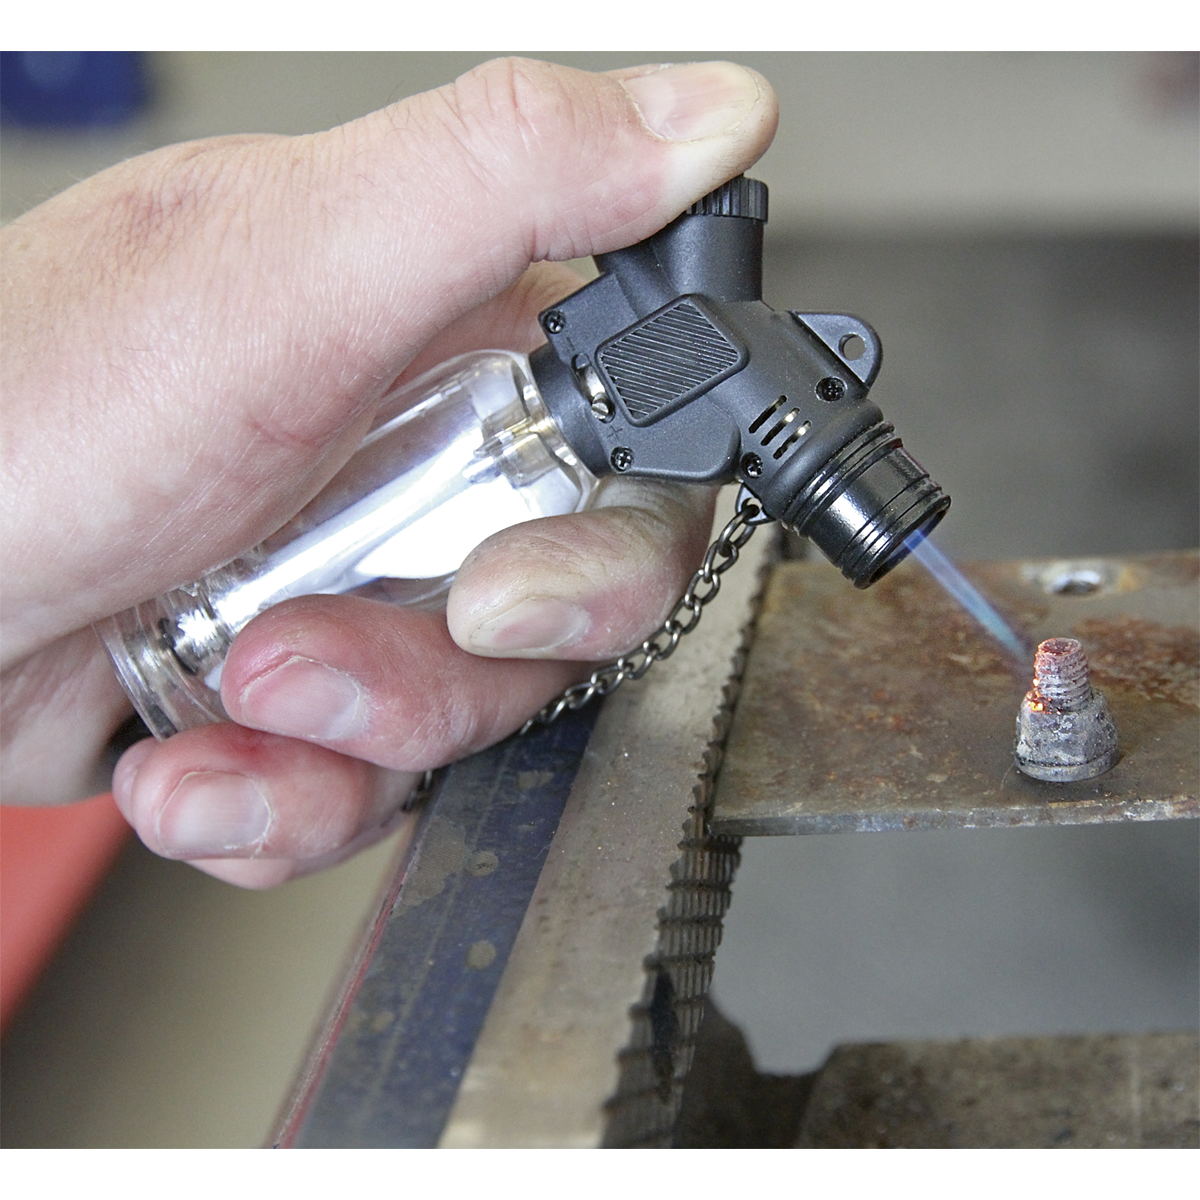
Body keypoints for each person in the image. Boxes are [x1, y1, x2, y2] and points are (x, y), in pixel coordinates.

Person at [1, 58, 778, 888]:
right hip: (167, 647)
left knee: (494, 606)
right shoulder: (494, 378)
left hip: (153, 658)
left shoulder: (501, 387)